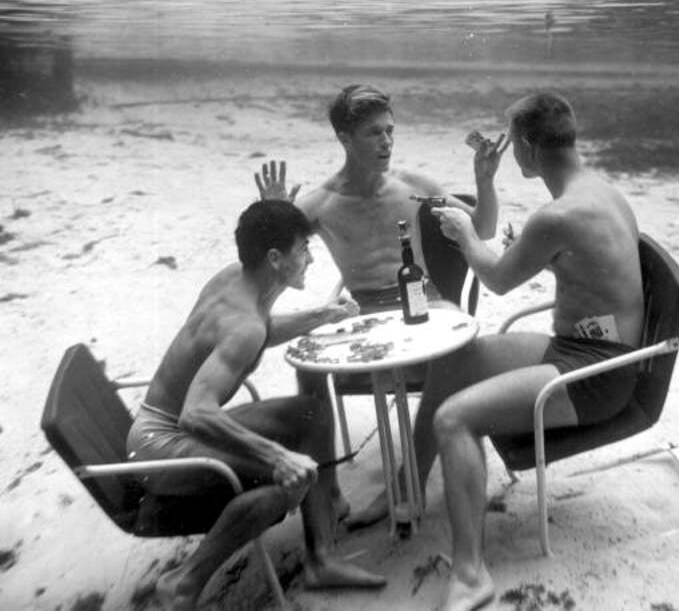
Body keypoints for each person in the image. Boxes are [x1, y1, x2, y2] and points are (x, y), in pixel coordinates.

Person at [426, 91, 645, 611]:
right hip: (589, 346)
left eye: (514, 145)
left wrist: (463, 233)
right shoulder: (604, 192)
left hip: (596, 372)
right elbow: (593, 268)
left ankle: (471, 574)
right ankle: (407, 484)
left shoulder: (556, 216)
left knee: (454, 419)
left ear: (526, 146)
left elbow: (498, 280)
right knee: (451, 362)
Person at [254, 83, 504, 527]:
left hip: (425, 304)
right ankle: (328, 492)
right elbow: (274, 265)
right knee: (307, 367)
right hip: (366, 315)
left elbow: (482, 229)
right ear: (344, 139)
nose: (387, 142)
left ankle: (406, 485)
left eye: (390, 131)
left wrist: (484, 180)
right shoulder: (321, 202)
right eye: (374, 134)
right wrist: (272, 216)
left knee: (453, 358)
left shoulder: (414, 186)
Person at [126, 199, 386, 611]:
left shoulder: (237, 279)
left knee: (312, 413)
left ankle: (321, 557)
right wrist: (277, 455)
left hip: (160, 427)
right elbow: (197, 413)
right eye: (303, 249)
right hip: (161, 450)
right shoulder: (243, 324)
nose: (311, 258)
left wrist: (321, 315)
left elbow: (260, 323)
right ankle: (184, 581)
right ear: (275, 258)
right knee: (289, 478)